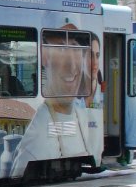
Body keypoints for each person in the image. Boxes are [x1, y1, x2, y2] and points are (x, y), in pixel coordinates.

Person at [13, 25, 95, 173]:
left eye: (76, 48)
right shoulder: (36, 141)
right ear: (44, 56)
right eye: (61, 48)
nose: (71, 66)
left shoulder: (80, 113)